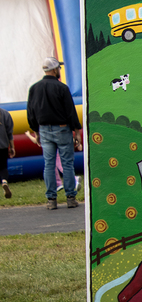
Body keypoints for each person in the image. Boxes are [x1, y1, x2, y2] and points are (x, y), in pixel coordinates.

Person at [26, 57, 82, 209]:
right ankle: (70, 198)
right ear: (54, 69)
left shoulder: (34, 88)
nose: (60, 71)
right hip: (62, 129)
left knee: (49, 165)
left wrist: (36, 132)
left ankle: (51, 200)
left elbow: (31, 112)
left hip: (44, 130)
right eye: (59, 68)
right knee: (67, 164)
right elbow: (70, 111)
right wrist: (76, 132)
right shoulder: (62, 88)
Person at [0, 104, 14, 199]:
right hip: (3, 146)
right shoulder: (5, 113)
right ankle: (4, 181)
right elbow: (10, 132)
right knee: (3, 167)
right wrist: (12, 147)